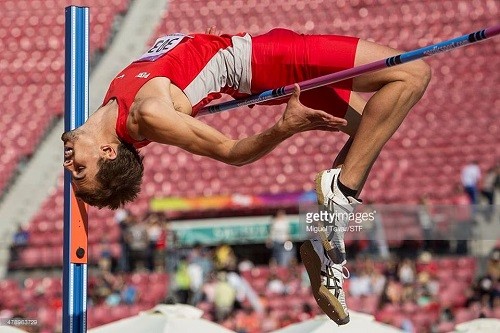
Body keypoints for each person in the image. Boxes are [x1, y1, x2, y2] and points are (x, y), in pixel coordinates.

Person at [61, 27, 431, 324]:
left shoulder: (106, 111)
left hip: (260, 64)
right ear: (107, 152)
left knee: (370, 128)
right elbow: (231, 151)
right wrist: (284, 128)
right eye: (81, 170)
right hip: (266, 59)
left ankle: (323, 242)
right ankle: (342, 191)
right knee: (412, 73)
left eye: (74, 171)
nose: (69, 165)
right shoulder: (146, 115)